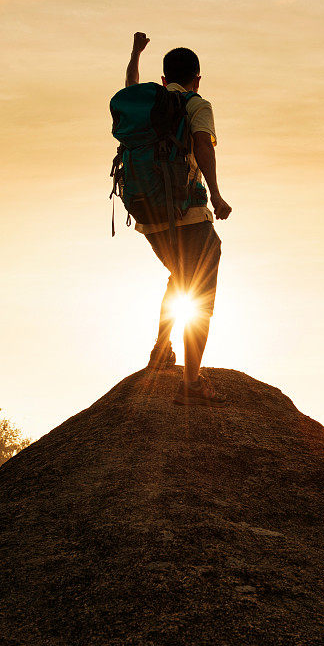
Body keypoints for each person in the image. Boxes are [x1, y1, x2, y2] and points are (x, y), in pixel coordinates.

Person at [124, 31, 231, 406]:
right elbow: (202, 145)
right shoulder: (196, 105)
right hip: (189, 213)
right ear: (197, 78)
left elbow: (129, 86)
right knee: (200, 289)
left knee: (179, 277)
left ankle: (160, 350)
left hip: (149, 215)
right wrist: (216, 194)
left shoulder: (150, 102)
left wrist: (136, 53)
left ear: (165, 78)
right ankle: (192, 381)